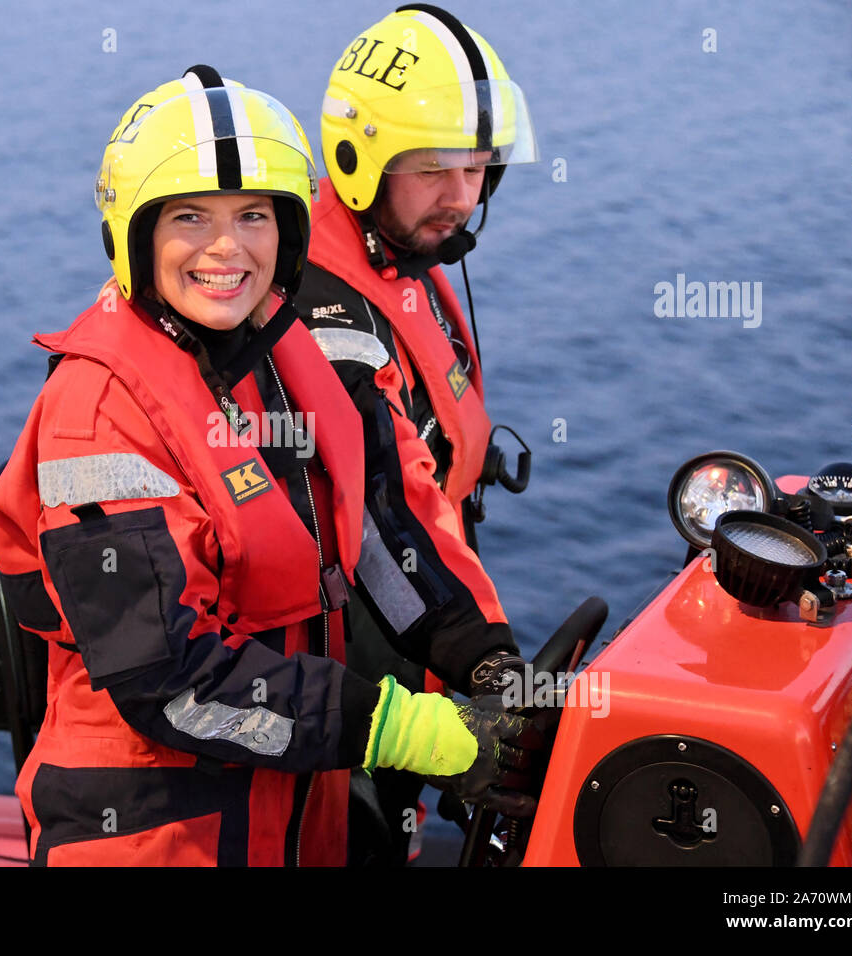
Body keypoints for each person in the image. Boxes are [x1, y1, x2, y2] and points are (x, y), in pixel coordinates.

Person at [0, 67, 541, 866]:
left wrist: (488, 665)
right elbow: (169, 677)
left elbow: (386, 535)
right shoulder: (99, 414)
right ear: (134, 232)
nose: (226, 247)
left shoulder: (292, 354)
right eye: (188, 217)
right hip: (156, 832)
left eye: (253, 215)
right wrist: (398, 728)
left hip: (291, 807)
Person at [294, 5, 542, 864]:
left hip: (417, 632)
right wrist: (490, 664)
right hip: (354, 661)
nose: (464, 196)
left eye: (479, 169)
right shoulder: (321, 311)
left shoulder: (399, 258)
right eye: (437, 170)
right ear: (360, 163)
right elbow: (384, 509)